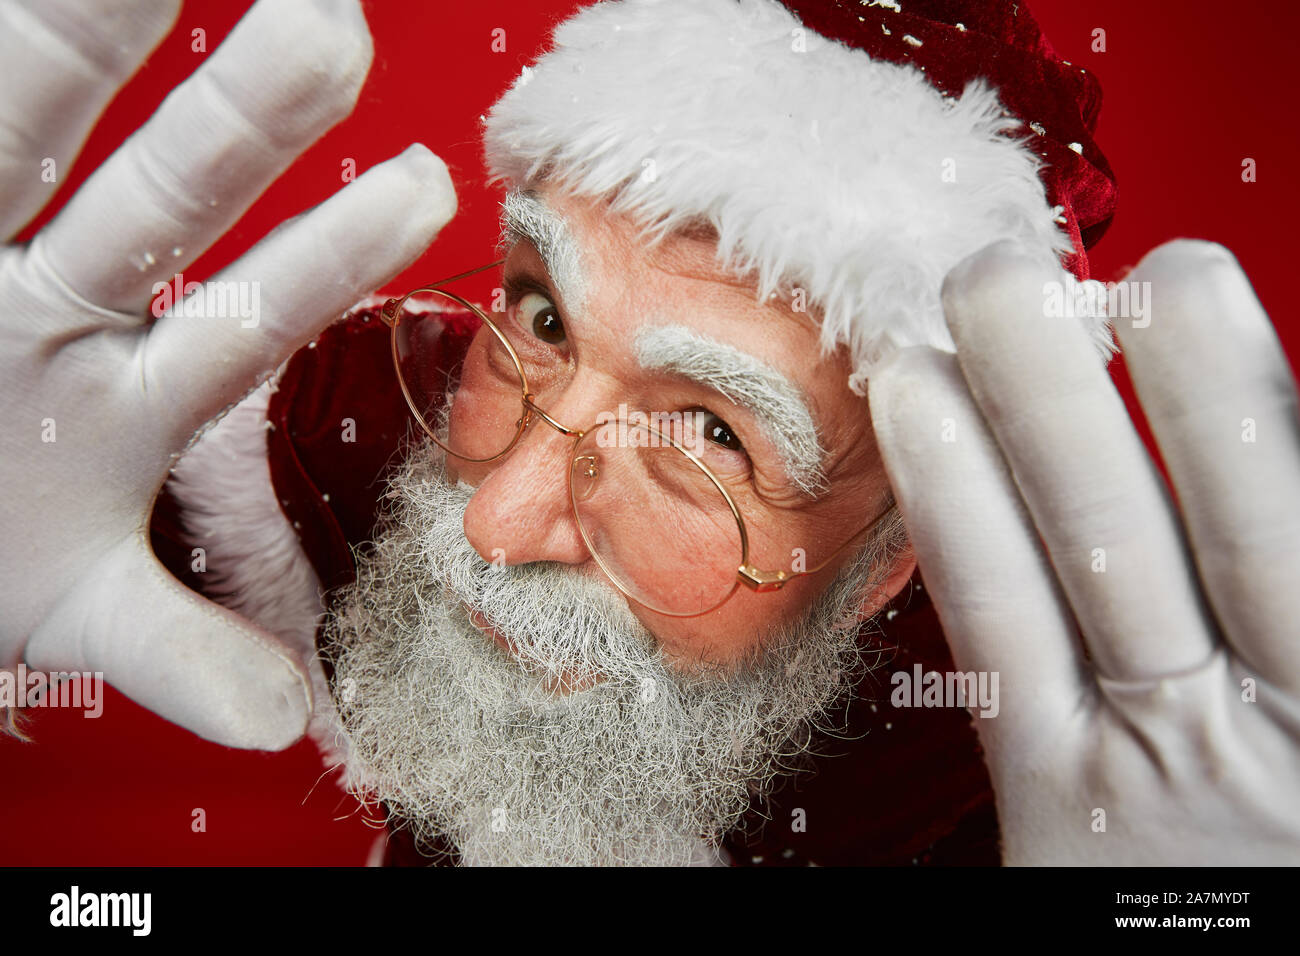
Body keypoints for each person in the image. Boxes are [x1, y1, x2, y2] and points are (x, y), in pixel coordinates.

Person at [2, 0, 1297, 866]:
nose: (494, 526)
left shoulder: (994, 781)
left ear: (893, 561)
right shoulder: (355, 437)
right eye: (544, 317)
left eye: (711, 433)